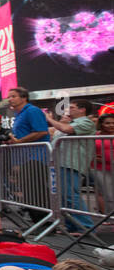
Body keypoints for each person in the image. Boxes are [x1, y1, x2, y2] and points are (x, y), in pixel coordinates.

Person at [46, 98, 98, 233]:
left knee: (70, 195)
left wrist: (49, 118)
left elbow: (66, 129)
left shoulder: (86, 122)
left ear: (82, 110)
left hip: (71, 164)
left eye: (72, 107)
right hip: (61, 163)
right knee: (64, 197)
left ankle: (86, 227)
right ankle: (72, 226)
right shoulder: (74, 122)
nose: (69, 110)